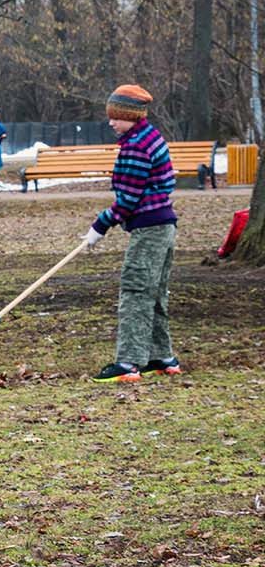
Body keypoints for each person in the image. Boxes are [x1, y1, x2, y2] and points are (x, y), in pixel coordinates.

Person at [84, 84, 179, 383]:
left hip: (150, 229)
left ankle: (127, 364)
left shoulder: (136, 145)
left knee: (136, 292)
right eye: (110, 116)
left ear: (132, 116)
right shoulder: (148, 136)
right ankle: (162, 358)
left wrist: (99, 226)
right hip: (164, 225)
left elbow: (128, 199)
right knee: (154, 294)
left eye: (117, 117)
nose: (111, 122)